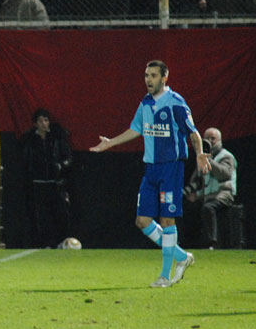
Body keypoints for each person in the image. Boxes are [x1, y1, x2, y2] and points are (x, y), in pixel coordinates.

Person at [90, 60, 211, 288]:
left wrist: (200, 153)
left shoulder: (175, 103)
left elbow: (192, 131)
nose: (148, 80)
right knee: (142, 220)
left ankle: (165, 276)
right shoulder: (145, 103)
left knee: (167, 220)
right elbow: (136, 129)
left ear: (164, 78)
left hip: (171, 168)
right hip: (151, 169)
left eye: (153, 75)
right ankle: (182, 257)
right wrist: (110, 143)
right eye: (146, 75)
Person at [21, 109, 73, 248]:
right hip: (38, 184)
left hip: (55, 184)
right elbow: (25, 162)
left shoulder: (57, 139)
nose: (44, 124)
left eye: (46, 120)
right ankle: (43, 244)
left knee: (60, 215)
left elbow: (68, 158)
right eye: (40, 121)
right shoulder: (29, 140)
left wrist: (60, 166)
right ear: (35, 124)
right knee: (41, 217)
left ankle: (60, 242)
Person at [183, 128, 237, 249]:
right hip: (207, 194)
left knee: (208, 207)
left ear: (220, 140)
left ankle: (211, 243)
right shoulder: (201, 158)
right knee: (188, 208)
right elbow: (197, 181)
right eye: (207, 138)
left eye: (213, 138)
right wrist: (191, 194)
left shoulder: (226, 156)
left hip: (223, 194)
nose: (210, 141)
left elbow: (225, 174)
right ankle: (188, 243)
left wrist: (209, 161)